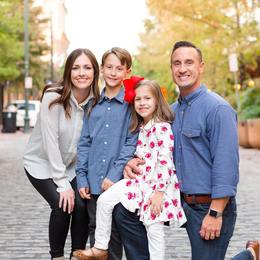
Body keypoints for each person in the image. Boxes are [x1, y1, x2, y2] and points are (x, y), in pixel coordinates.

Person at [115, 41, 240, 260]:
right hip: (175, 200)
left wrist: (215, 212)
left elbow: (226, 166)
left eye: (189, 62)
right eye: (177, 63)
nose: (182, 69)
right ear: (171, 69)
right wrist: (133, 161)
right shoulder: (169, 112)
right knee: (122, 211)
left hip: (207, 206)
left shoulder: (218, 109)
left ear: (201, 66)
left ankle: (249, 254)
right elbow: (156, 150)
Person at [73, 79, 187, 260]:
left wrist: (159, 192)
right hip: (138, 181)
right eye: (138, 99)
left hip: (157, 186)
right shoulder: (140, 127)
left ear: (157, 100)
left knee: (154, 229)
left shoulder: (162, 128)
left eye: (147, 98)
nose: (142, 103)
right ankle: (100, 247)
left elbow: (165, 162)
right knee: (104, 200)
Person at [23, 48, 100, 260]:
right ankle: (56, 257)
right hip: (41, 163)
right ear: (68, 72)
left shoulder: (97, 102)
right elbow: (50, 143)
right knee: (61, 204)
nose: (81, 73)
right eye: (76, 68)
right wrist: (62, 183)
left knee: (82, 204)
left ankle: (77, 255)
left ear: (95, 72)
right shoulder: (53, 97)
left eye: (87, 67)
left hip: (72, 166)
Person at [75, 47, 138, 260]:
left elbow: (131, 143)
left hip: (119, 182)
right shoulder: (92, 105)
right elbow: (84, 143)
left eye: (119, 68)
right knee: (96, 229)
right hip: (93, 180)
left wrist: (114, 173)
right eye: (109, 67)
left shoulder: (131, 105)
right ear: (101, 69)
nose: (113, 72)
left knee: (118, 230)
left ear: (127, 72)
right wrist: (82, 177)